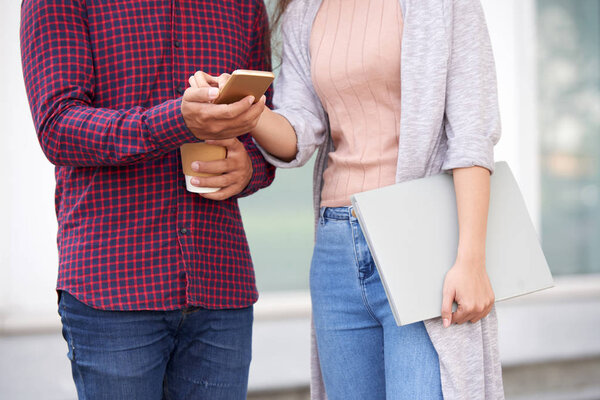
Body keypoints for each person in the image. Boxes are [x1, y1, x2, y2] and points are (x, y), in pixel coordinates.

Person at [192, 0, 505, 398]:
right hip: (337, 245)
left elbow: (472, 133)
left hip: (421, 245)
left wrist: (472, 260)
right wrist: (248, 112)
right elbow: (300, 131)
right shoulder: (304, 10)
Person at [20, 0, 274, 399]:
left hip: (221, 281)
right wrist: (177, 121)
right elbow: (57, 125)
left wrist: (250, 169)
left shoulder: (243, 6)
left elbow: (263, 123)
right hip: (113, 285)